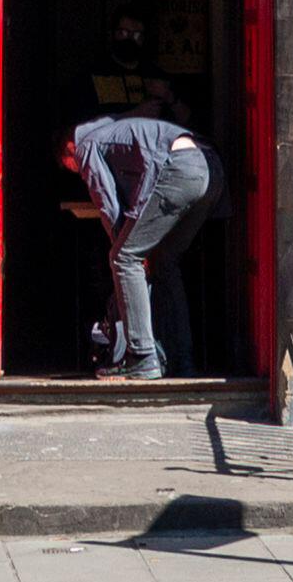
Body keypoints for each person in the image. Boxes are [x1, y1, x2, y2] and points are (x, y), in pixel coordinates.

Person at [61, 108, 214, 381]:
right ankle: (182, 359)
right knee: (164, 262)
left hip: (178, 168)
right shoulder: (113, 130)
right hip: (207, 168)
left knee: (123, 258)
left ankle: (142, 355)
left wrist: (123, 243)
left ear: (69, 149)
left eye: (71, 168)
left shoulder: (85, 145)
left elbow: (107, 202)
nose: (78, 173)